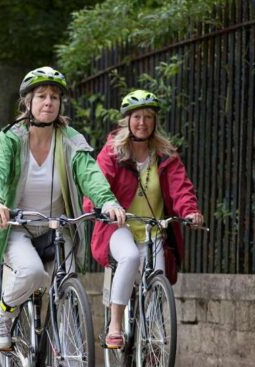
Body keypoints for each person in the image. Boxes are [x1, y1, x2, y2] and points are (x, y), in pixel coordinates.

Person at [0, 66, 126, 351]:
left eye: (54, 97)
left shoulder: (71, 139)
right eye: (41, 96)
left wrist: (107, 200)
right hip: (17, 226)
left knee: (68, 287)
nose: (49, 102)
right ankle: (4, 314)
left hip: (58, 227)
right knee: (33, 273)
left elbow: (90, 173)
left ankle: (68, 360)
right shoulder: (11, 137)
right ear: (28, 103)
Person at [85, 89, 203, 349]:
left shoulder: (166, 155)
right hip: (118, 226)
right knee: (129, 257)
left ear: (155, 121)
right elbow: (97, 184)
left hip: (153, 229)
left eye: (148, 116)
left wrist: (189, 211)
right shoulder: (113, 153)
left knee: (158, 276)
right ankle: (116, 325)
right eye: (137, 116)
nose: (142, 122)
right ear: (127, 120)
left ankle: (151, 337)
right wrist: (106, 205)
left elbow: (180, 188)